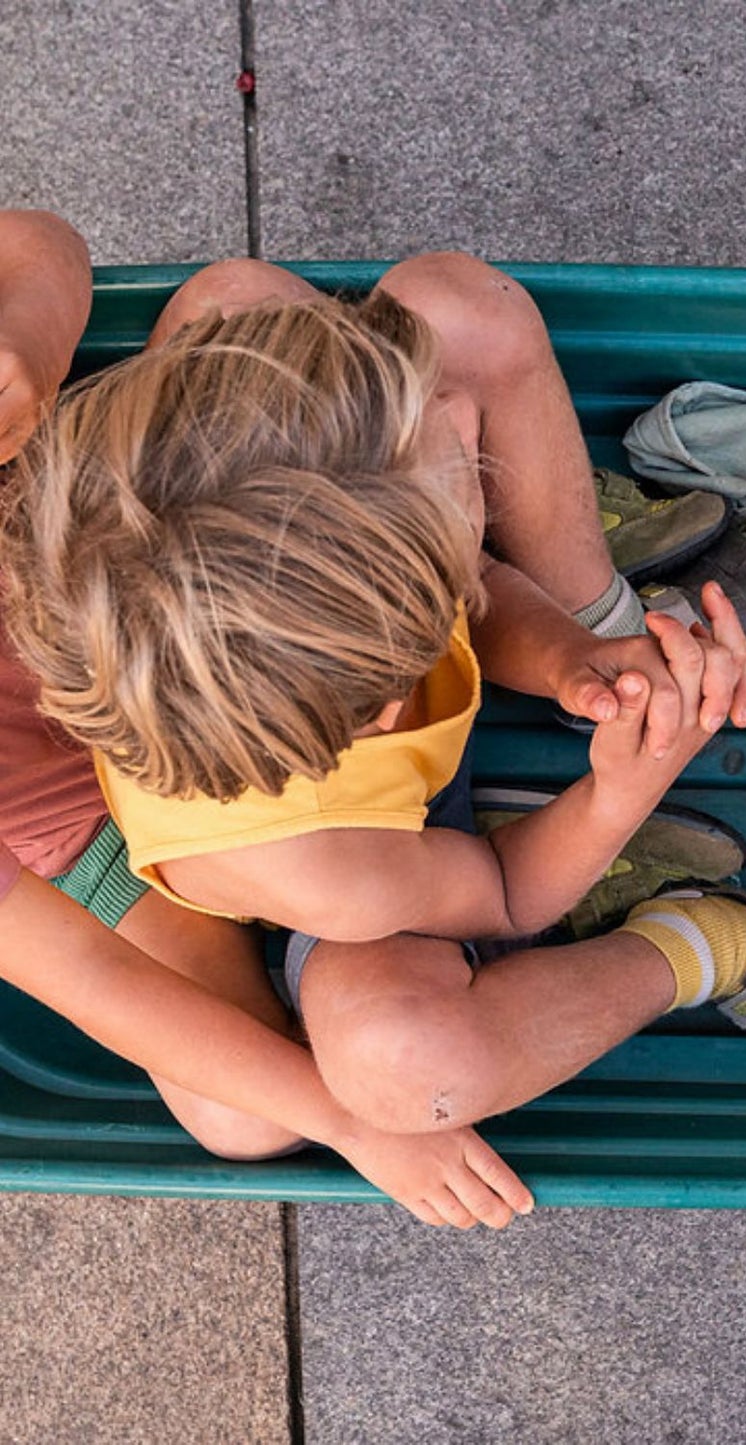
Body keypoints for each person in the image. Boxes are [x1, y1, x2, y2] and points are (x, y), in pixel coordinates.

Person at [3, 240, 746, 1168]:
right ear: (388, 704)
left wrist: (586, 661)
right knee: (405, 1067)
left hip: (292, 688)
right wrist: (621, 791)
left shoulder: (316, 599)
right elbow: (508, 890)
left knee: (283, 299)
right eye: (459, 477)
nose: (462, 412)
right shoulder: (319, 865)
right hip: (370, 843)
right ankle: (707, 940)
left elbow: (462, 581)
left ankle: (607, 611)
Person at [0, 210, 531, 1228]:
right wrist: (353, 1123)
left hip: (162, 557)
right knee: (239, 1118)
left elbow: (38, 245)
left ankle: (463, 551)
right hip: (85, 825)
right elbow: (78, 967)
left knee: (233, 299)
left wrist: (27, 334)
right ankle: (437, 547)